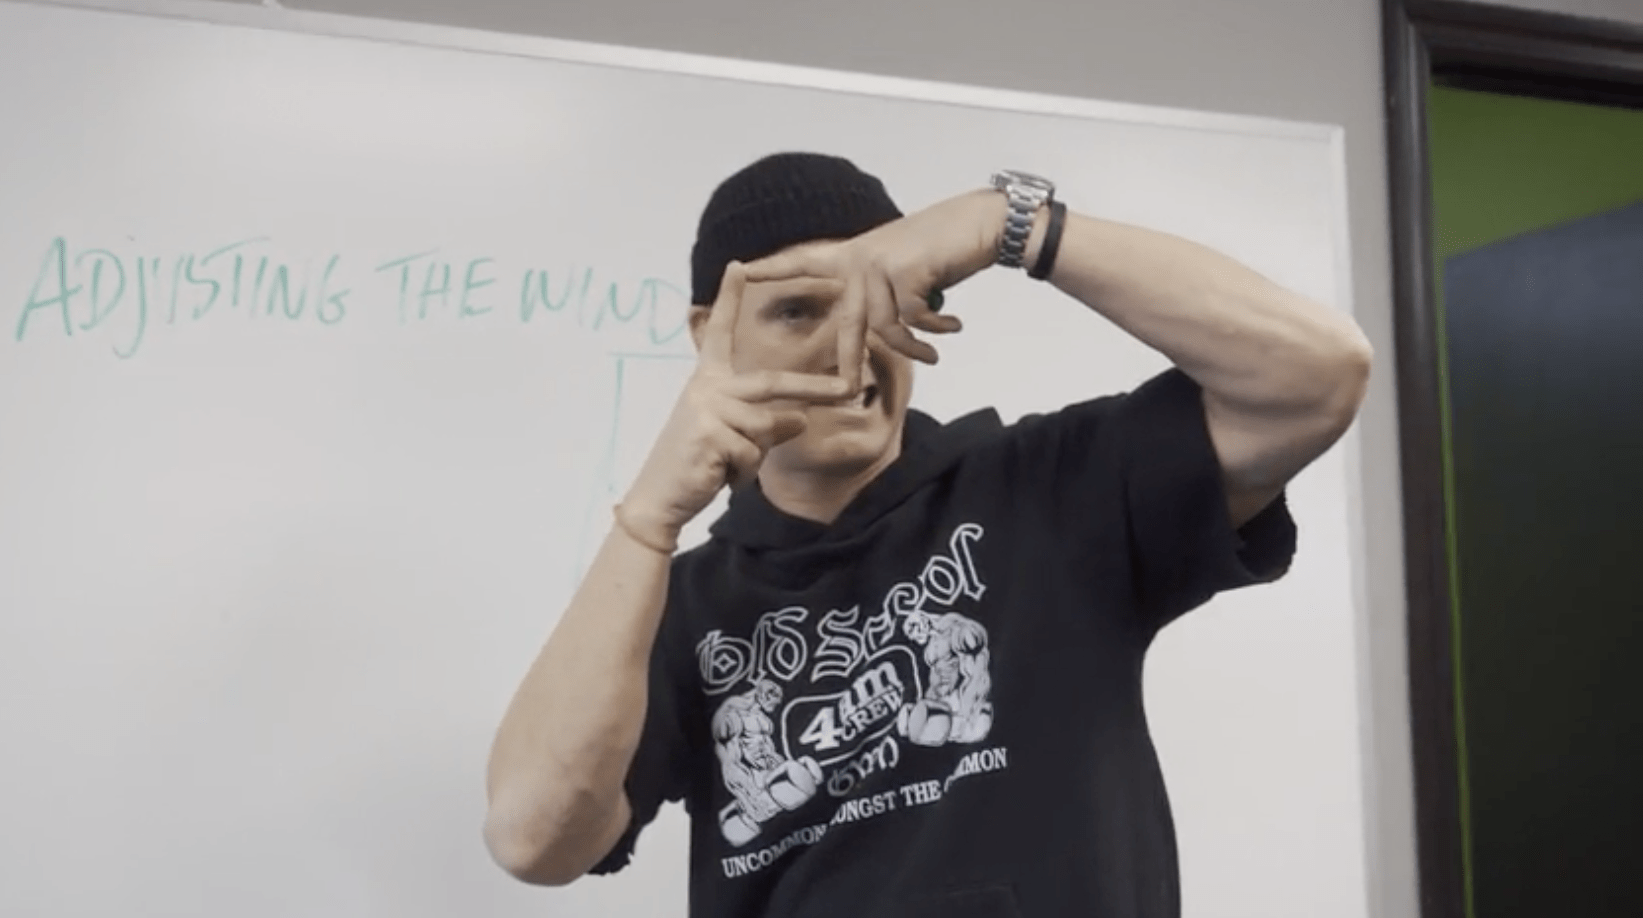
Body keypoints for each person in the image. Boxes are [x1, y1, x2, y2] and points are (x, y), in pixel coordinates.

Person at [481, 152, 1371, 917]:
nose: (847, 346)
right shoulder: (681, 605)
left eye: (879, 303)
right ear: (712, 336)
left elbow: (1319, 373)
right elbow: (533, 838)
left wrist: (1010, 226)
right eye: (798, 311)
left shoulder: (1055, 489)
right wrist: (649, 518)